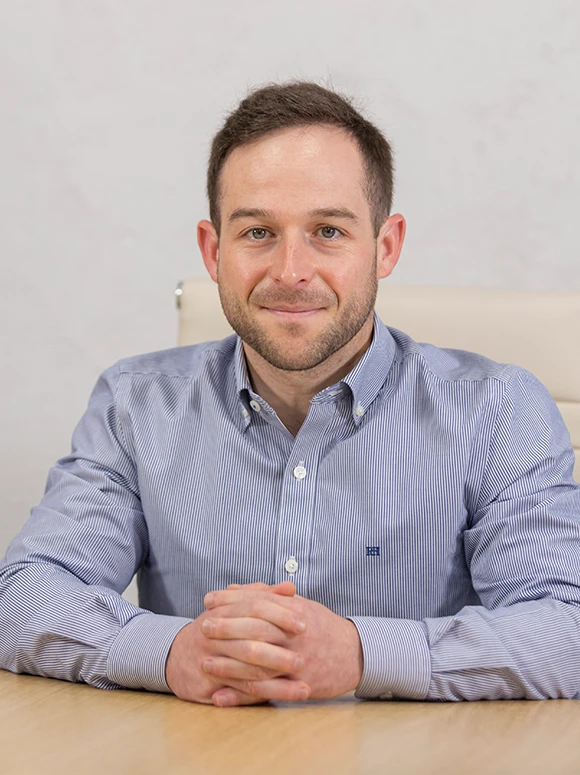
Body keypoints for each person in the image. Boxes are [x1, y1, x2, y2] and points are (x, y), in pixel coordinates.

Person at [1, 82, 580, 707]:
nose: (290, 271)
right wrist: (171, 653)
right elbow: (25, 597)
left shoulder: (498, 409)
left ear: (385, 248)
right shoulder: (134, 405)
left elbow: (566, 628)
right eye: (257, 233)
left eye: (328, 231)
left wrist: (360, 654)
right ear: (213, 249)